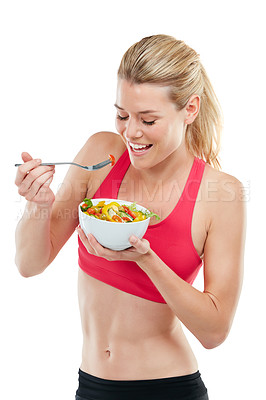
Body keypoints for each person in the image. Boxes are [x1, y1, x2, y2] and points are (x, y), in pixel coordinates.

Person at [15, 34, 246, 400]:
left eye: (148, 119)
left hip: (170, 389)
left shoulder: (221, 195)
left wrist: (147, 260)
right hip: (91, 386)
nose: (131, 133)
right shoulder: (101, 154)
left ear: (190, 109)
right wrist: (38, 205)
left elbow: (215, 331)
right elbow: (29, 264)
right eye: (122, 115)